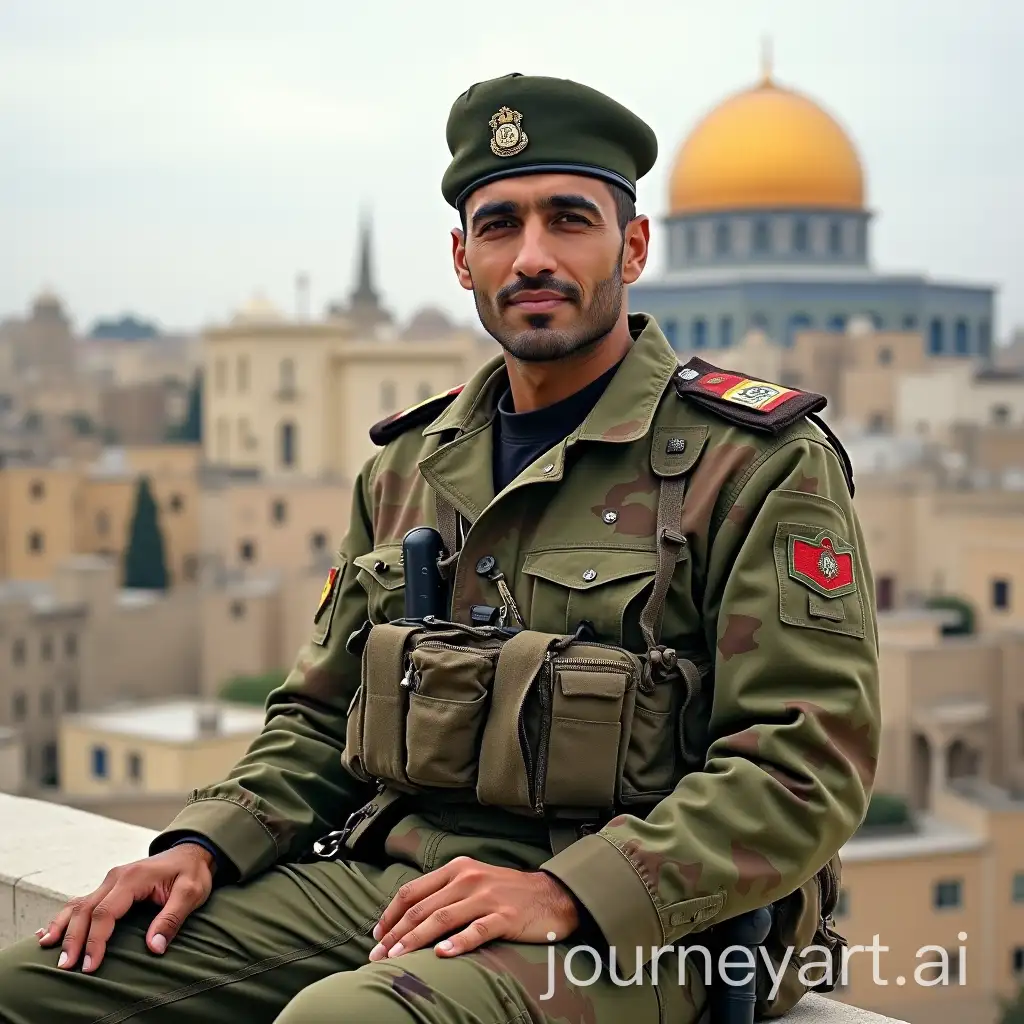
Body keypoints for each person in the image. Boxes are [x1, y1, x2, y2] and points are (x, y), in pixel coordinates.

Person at [0, 72, 880, 1024]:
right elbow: (319, 714)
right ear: (463, 258)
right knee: (42, 986)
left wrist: (573, 892)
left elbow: (804, 766)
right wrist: (201, 846)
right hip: (409, 883)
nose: (532, 256)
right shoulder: (412, 467)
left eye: (569, 220)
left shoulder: (751, 463)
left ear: (632, 246)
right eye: (500, 226)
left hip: (647, 927)